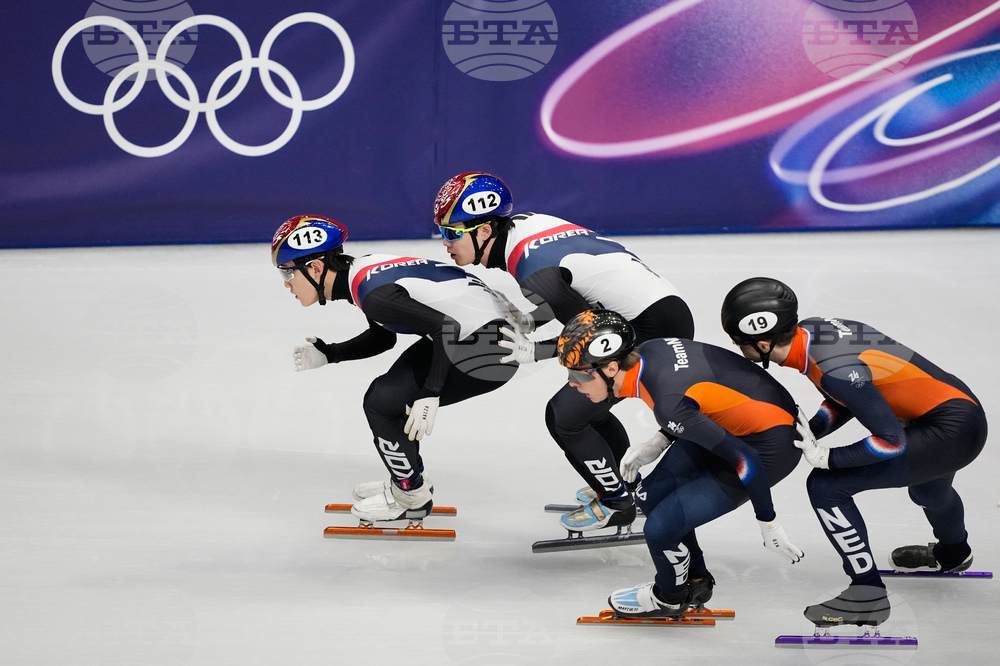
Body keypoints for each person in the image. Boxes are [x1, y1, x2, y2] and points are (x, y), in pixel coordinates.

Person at [433, 172, 695, 532]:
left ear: (483, 231)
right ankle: (622, 485)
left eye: (450, 233)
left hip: (649, 330)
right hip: (657, 310)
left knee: (564, 416)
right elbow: (573, 276)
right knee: (592, 412)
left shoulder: (532, 272)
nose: (444, 243)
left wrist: (535, 350)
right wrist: (533, 317)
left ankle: (616, 504)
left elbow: (593, 334)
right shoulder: (527, 225)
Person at [721, 277, 987, 627]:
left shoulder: (834, 371)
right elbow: (852, 393)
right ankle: (954, 552)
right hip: (957, 409)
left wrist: (827, 458)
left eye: (741, 344)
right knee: (928, 488)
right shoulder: (815, 331)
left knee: (825, 487)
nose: (742, 352)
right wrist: (812, 428)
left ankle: (867, 595)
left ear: (765, 342)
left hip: (945, 429)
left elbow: (890, 441)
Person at [272, 214, 528, 522]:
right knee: (388, 398)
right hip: (483, 335)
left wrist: (431, 393)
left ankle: (410, 495)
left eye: (287, 274)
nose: (287, 285)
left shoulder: (373, 295)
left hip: (489, 348)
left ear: (314, 268)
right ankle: (408, 479)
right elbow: (384, 336)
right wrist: (332, 354)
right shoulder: (362, 275)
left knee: (381, 403)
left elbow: (446, 327)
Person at [556, 309, 804, 618]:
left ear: (610, 367)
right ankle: (697, 581)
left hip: (769, 448)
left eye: (578, 375)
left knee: (661, 529)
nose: (571, 384)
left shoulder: (668, 403)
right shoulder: (651, 351)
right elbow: (698, 390)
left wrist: (769, 523)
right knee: (648, 497)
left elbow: (746, 458)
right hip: (736, 423)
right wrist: (660, 439)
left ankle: (669, 598)